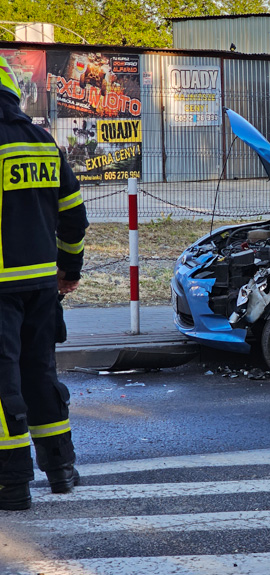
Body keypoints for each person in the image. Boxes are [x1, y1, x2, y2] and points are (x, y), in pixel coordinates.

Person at [0, 56, 88, 511]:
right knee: (40, 376)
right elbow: (74, 216)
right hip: (40, 288)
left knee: (3, 386)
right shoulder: (41, 141)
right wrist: (68, 271)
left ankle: (10, 485)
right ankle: (61, 471)